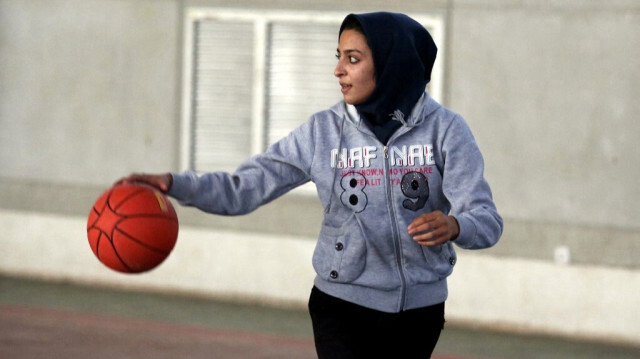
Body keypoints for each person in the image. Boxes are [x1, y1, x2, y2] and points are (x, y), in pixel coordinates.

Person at [118, 11, 503, 358]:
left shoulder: (447, 131)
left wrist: (456, 226)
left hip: (418, 311)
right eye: (337, 56)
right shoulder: (322, 132)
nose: (338, 70)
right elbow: (245, 187)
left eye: (352, 59)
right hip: (342, 307)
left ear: (390, 64)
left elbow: (485, 218)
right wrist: (174, 184)